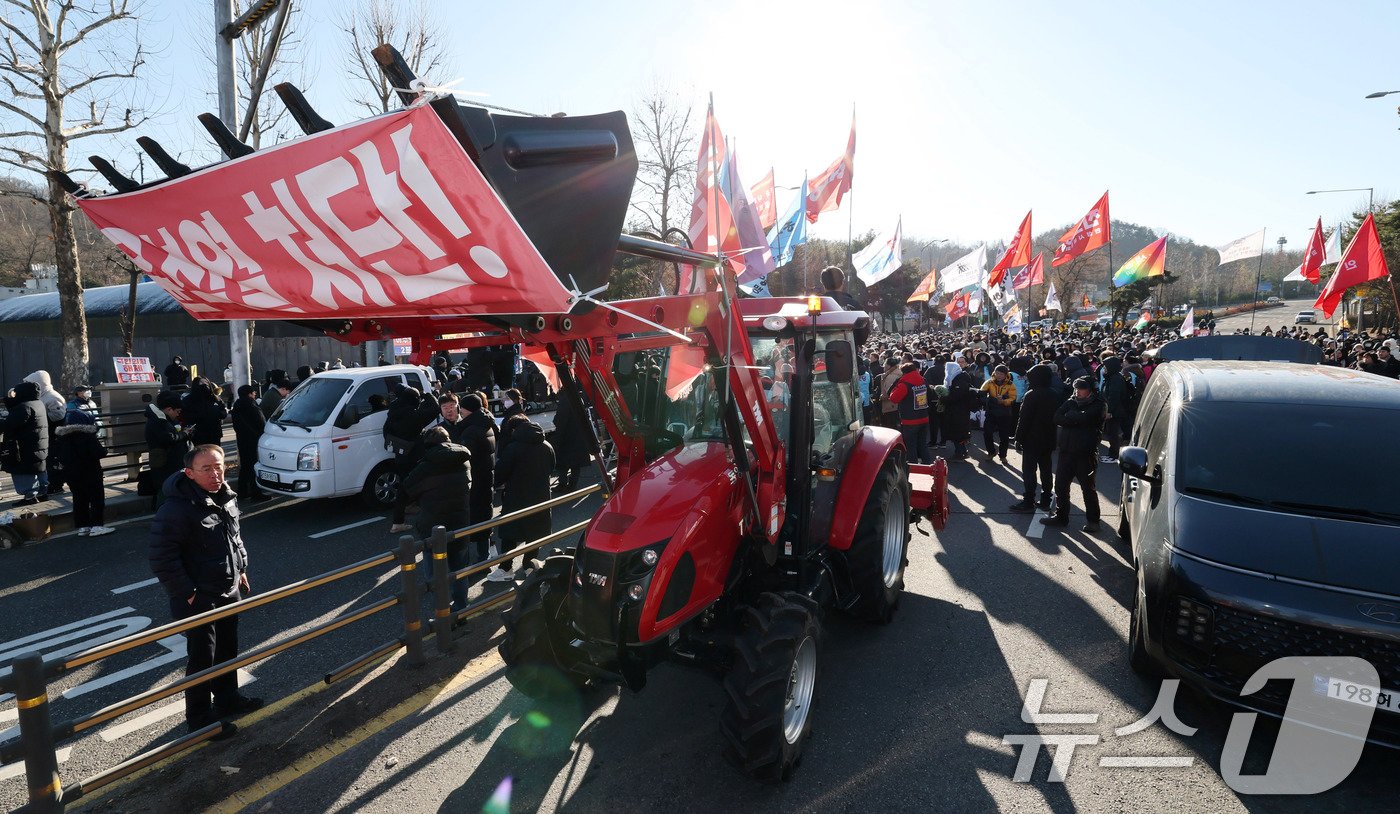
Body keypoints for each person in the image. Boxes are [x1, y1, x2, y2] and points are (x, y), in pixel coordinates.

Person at [148, 445, 261, 737]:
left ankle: (227, 699)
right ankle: (199, 719)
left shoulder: (225, 496)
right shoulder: (175, 509)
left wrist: (242, 570)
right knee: (202, 657)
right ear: (189, 473)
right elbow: (162, 558)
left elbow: (234, 537)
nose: (216, 474)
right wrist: (188, 593)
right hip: (199, 596)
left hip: (228, 587)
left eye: (220, 466)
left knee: (227, 649)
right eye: (206, 469)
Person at [402, 426, 472, 618]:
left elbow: (408, 487)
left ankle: (442, 611)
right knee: (459, 568)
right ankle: (462, 607)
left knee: (434, 572)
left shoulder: (426, 465)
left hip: (432, 524)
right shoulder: (463, 459)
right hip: (460, 521)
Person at [489, 414, 554, 582]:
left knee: (510, 533)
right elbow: (552, 467)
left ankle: (505, 568)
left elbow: (501, 474)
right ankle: (529, 566)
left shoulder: (513, 448)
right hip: (541, 495)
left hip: (516, 496)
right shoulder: (546, 445)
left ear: (513, 429)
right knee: (535, 533)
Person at [1041, 378, 1106, 532]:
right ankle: (1061, 517)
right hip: (1066, 452)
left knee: (1088, 489)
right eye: (1076, 389)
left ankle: (1093, 521)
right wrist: (1076, 417)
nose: (1077, 392)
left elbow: (1087, 417)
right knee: (1061, 487)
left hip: (1086, 454)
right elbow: (1057, 417)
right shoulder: (1071, 401)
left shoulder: (1099, 404)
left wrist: (1071, 417)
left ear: (1089, 390)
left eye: (1081, 389)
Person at [383, 384, 437, 533]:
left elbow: (386, 431)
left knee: (403, 486)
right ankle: (425, 521)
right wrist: (428, 395)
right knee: (424, 484)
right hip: (416, 455)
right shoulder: (414, 415)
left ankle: (399, 520)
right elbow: (434, 408)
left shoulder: (392, 413)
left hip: (400, 455)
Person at [458, 393, 498, 585]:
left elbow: (463, 458)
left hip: (473, 482)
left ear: (469, 409)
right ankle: (484, 560)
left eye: (462, 409)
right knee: (483, 518)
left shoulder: (470, 431)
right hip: (486, 479)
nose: (459, 412)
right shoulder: (487, 423)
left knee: (468, 522)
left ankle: (467, 565)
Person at [55, 406, 112, 535]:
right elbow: (99, 452)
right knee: (96, 498)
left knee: (79, 499)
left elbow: (60, 456)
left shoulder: (62, 438)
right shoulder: (88, 436)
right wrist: (104, 450)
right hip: (90, 471)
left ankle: (83, 526)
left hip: (71, 474)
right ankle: (97, 525)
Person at [1010, 363, 1058, 513]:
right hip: (1049, 437)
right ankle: (1045, 499)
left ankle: (1029, 500)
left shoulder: (1031, 394)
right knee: (1046, 469)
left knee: (1029, 470)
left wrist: (1018, 438)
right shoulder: (1054, 394)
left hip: (1032, 438)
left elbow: (1024, 419)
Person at [2, 381, 48, 505]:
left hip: (24, 447)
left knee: (24, 470)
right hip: (37, 445)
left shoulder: (24, 407)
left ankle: (30, 496)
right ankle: (42, 492)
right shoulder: (38, 403)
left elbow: (9, 424)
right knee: (38, 467)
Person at [146, 391, 192, 509]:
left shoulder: (163, 419)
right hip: (165, 462)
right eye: (177, 411)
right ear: (169, 409)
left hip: (168, 461)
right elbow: (169, 438)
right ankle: (164, 516)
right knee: (165, 490)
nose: (178, 414)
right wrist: (184, 434)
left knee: (169, 489)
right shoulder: (159, 420)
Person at [25, 370, 66, 496]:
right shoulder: (43, 395)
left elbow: (59, 414)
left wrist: (41, 418)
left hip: (54, 434)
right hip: (46, 433)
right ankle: (51, 484)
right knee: (48, 460)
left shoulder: (52, 396)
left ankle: (56, 485)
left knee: (54, 460)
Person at [887, 361, 933, 465]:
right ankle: (927, 465)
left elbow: (893, 398)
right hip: (924, 417)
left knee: (910, 446)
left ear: (903, 372)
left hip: (910, 420)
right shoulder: (923, 380)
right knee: (922, 444)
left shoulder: (904, 384)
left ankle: (913, 467)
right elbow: (930, 395)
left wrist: (896, 383)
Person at [231, 384, 269, 502]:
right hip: (254, 439)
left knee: (245, 465)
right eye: (253, 392)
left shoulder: (236, 405)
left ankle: (242, 491)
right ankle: (256, 492)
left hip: (242, 439)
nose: (255, 394)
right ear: (249, 393)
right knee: (253, 465)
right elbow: (261, 422)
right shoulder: (252, 405)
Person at [552, 391, 592, 491]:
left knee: (562, 462)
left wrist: (556, 438)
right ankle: (572, 484)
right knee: (576, 463)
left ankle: (562, 484)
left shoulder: (565, 399)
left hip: (567, 435)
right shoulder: (577, 397)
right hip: (579, 434)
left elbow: (560, 420)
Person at [1096, 355, 1132, 464]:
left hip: (1115, 412)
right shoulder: (1112, 377)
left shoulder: (1116, 379)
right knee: (1111, 433)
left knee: (1113, 434)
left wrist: (1109, 411)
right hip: (1113, 410)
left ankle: (1113, 455)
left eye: (1106, 367)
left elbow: (1114, 397)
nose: (1104, 369)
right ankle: (1112, 453)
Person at [978, 364, 1016, 464]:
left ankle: (1003, 455)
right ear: (994, 373)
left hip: (1004, 413)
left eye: (1002, 374)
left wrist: (1003, 401)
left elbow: (1013, 398)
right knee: (987, 433)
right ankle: (991, 452)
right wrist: (987, 399)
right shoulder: (989, 382)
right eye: (997, 373)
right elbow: (981, 393)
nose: (999, 375)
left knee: (1004, 436)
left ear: (1005, 375)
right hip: (991, 411)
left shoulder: (1010, 384)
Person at [182, 379, 228, 447]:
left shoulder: (215, 398)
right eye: (201, 383)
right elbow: (186, 415)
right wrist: (201, 415)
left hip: (214, 432)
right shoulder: (189, 400)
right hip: (198, 434)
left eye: (206, 383)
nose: (205, 385)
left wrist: (218, 414)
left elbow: (223, 411)